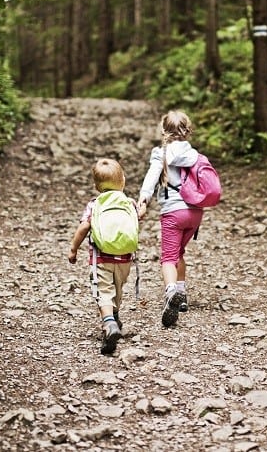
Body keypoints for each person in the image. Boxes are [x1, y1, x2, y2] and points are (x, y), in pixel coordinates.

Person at [138, 110, 203, 328]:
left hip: (173, 212)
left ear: (164, 130)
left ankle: (170, 294)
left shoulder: (161, 153)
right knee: (179, 253)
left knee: (168, 258)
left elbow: (152, 175)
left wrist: (143, 199)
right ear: (188, 130)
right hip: (195, 212)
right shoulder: (194, 155)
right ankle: (181, 296)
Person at [68, 158, 138, 355]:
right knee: (117, 288)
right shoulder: (129, 203)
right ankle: (115, 317)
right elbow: (137, 217)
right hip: (124, 258)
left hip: (101, 259)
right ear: (123, 182)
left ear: (96, 186)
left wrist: (73, 248)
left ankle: (109, 324)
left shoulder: (94, 204)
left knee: (103, 291)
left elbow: (84, 227)